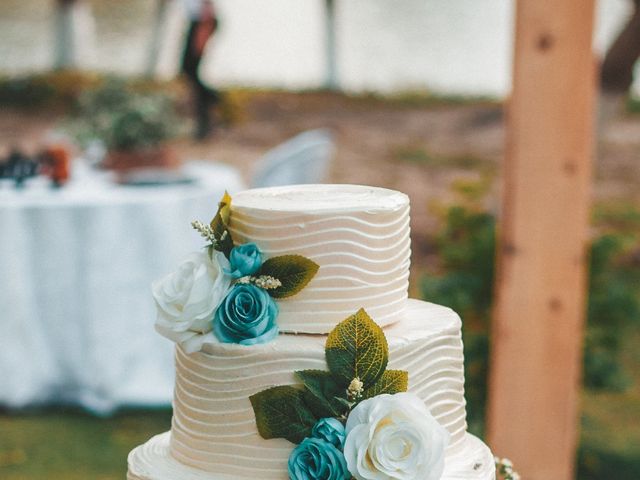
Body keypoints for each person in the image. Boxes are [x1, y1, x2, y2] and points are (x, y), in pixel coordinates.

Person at [181, 0, 220, 140]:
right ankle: (212, 99)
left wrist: (203, 32)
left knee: (190, 70)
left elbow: (207, 5)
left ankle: (212, 101)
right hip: (198, 22)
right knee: (188, 71)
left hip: (203, 22)